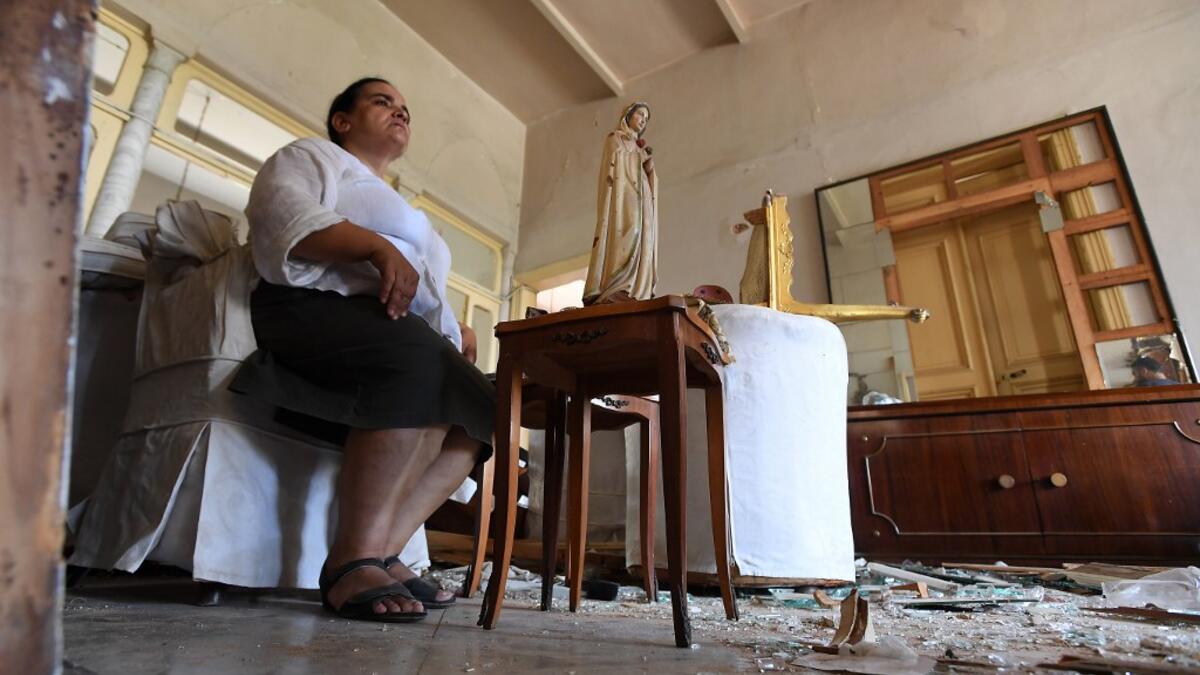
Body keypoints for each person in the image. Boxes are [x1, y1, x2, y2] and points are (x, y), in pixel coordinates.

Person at [229, 78, 494, 623]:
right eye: (383, 102)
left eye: (405, 108)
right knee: (417, 359)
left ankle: (381, 552)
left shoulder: (408, 208)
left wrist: (455, 326)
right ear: (342, 121)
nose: (400, 112)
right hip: (307, 306)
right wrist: (372, 246)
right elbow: (283, 216)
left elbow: (422, 290)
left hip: (389, 325)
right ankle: (349, 561)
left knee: (482, 410)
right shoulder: (313, 156)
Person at [582, 102, 657, 305]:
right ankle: (618, 285)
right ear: (628, 115)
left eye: (646, 118)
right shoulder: (616, 138)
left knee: (644, 234)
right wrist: (636, 157)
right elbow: (615, 163)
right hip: (624, 195)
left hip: (642, 195)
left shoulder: (637, 146)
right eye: (640, 114)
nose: (643, 120)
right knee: (628, 229)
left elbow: (645, 172)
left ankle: (636, 288)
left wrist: (649, 168)